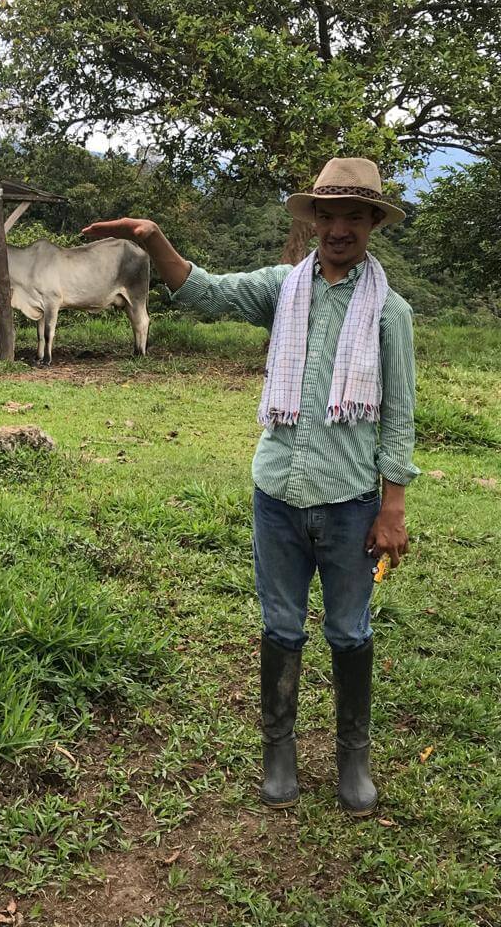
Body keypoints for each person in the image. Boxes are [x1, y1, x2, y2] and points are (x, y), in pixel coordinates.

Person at [82, 157, 419, 817]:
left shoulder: (390, 313)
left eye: (355, 215)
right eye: (330, 214)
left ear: (373, 223)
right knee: (281, 626)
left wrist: (394, 507)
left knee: (350, 632)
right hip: (277, 497)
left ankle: (353, 757)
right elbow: (201, 288)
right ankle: (280, 751)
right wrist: (153, 239)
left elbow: (401, 414)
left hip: (351, 501)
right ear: (314, 220)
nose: (340, 228)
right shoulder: (282, 289)